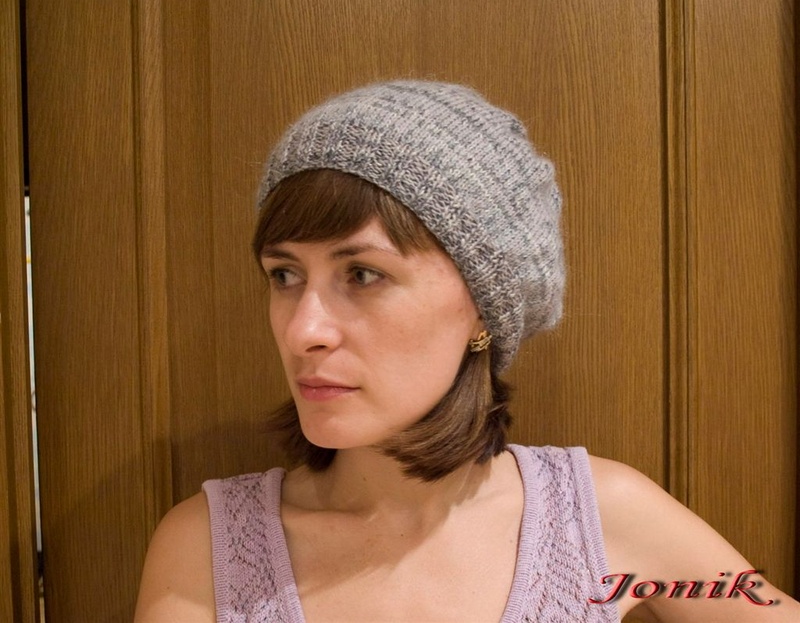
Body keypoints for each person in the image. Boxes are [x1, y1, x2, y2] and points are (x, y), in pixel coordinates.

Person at [134, 81, 800, 623]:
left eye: (362, 274)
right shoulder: (209, 553)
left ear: (482, 305)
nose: (303, 329)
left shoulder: (598, 521)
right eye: (284, 275)